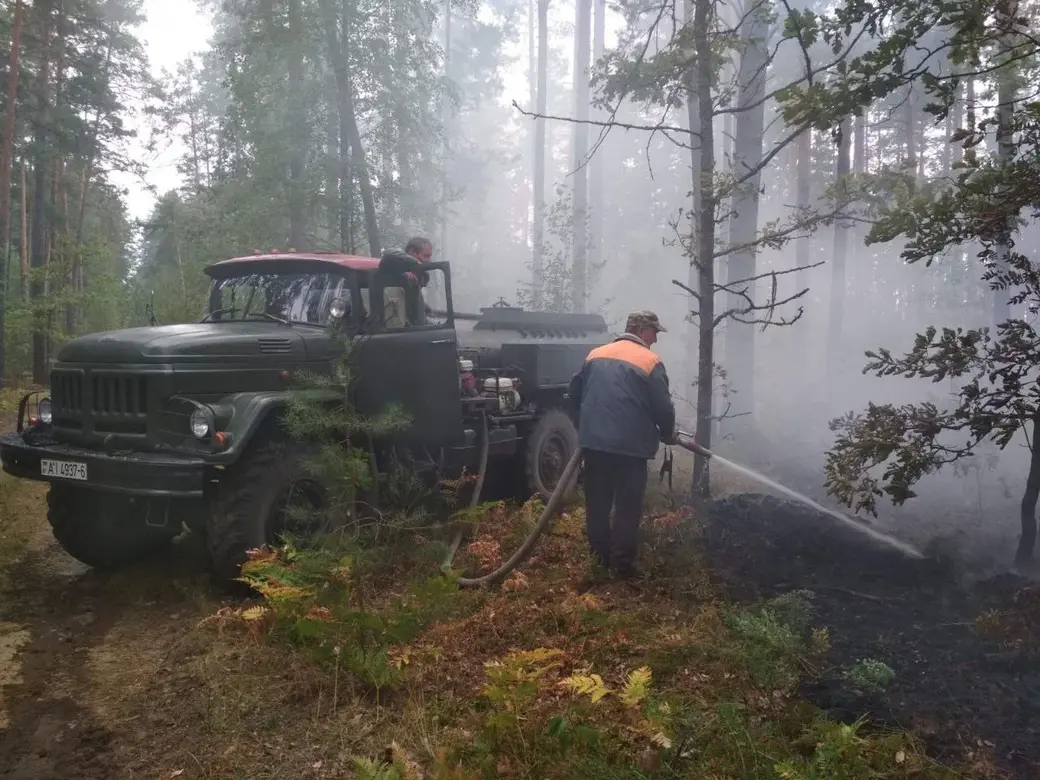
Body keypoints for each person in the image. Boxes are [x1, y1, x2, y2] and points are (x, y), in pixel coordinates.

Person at [567, 310, 677, 580]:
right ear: (641, 331)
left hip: (594, 446)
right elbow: (663, 409)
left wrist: (586, 428)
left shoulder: (596, 355)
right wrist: (667, 433)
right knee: (628, 508)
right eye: (654, 332)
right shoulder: (650, 361)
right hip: (630, 450)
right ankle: (622, 567)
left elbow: (573, 396)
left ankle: (599, 559)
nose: (656, 339)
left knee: (598, 504)